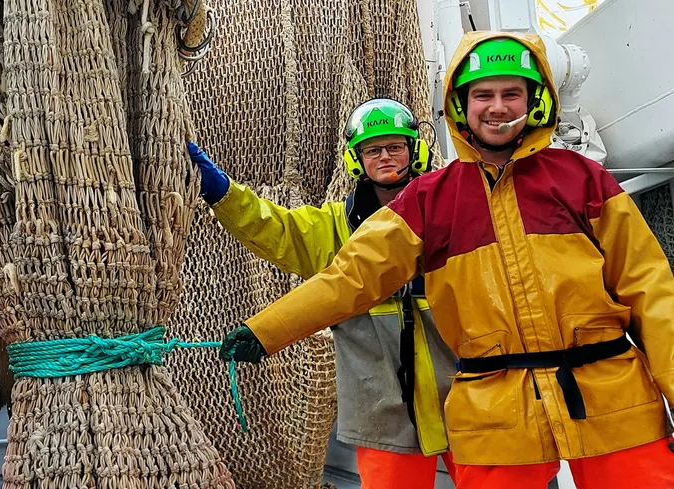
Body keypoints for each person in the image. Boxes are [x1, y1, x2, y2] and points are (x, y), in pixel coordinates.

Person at [217, 31, 674, 489]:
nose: (497, 107)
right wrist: (267, 331)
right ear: (459, 105)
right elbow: (349, 276)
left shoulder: (584, 179)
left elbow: (652, 293)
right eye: (482, 95)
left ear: (535, 101)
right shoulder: (428, 201)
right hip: (494, 415)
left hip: (615, 400)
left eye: (512, 92)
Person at [188, 98, 458, 489]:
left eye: (396, 146)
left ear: (415, 150)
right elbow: (277, 230)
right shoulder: (335, 226)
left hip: (466, 396)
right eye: (372, 149)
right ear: (356, 158)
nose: (385, 157)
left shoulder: (453, 210)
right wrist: (223, 193)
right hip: (383, 409)